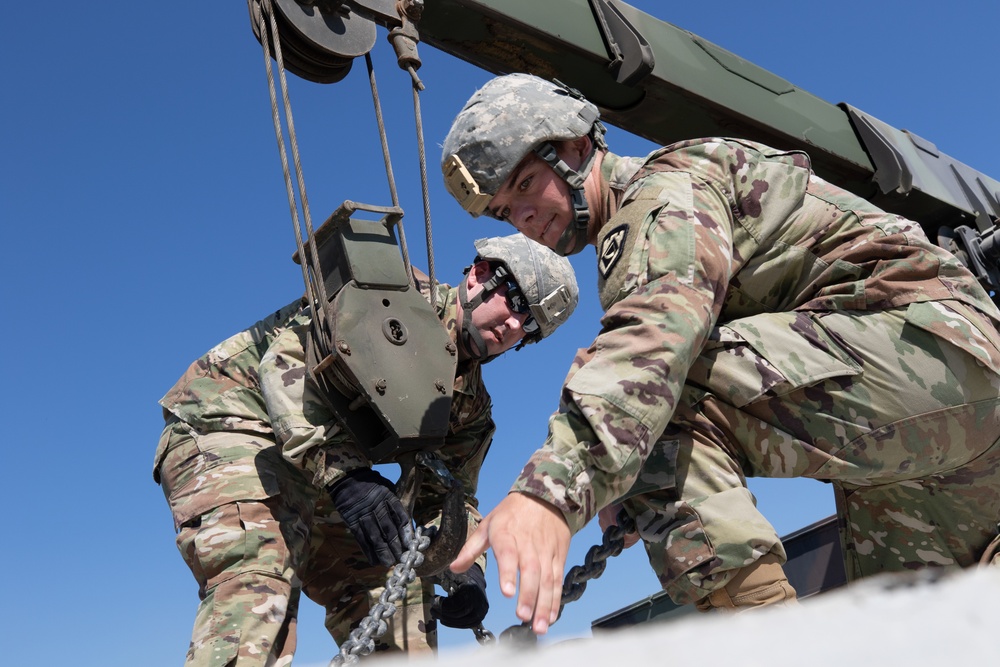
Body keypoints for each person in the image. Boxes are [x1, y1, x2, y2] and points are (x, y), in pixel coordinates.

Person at [440, 72, 1000, 633]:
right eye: (505, 212)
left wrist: (551, 492)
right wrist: (619, 474)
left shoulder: (662, 192)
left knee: (660, 403)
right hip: (946, 417)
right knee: (926, 635)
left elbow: (656, 336)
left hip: (930, 352)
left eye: (526, 184)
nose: (524, 218)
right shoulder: (657, 208)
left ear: (576, 146)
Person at [153, 232, 578, 665]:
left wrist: (465, 565)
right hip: (233, 423)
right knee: (260, 579)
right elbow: (285, 364)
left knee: (400, 595)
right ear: (479, 276)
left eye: (530, 327)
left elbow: (450, 495)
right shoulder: (394, 297)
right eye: (518, 304)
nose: (513, 327)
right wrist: (348, 477)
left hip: (319, 467)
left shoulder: (468, 408)